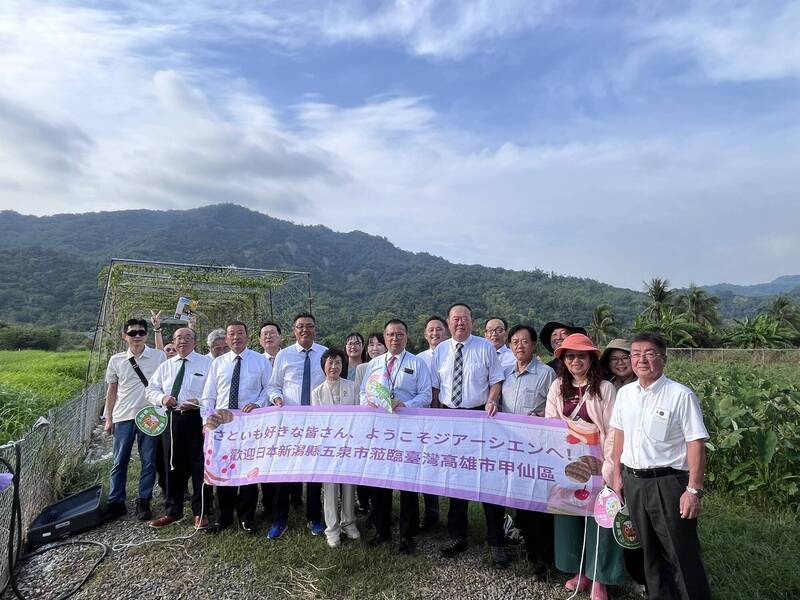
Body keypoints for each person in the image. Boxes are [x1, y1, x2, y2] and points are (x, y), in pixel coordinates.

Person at [610, 333, 712, 600]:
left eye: (649, 353)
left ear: (663, 359)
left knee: (682, 553)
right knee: (650, 555)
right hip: (633, 482)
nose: (641, 359)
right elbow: (619, 435)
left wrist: (694, 490)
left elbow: (695, 443)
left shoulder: (680, 395)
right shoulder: (625, 394)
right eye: (635, 353)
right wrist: (617, 475)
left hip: (668, 483)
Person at [430, 303, 508, 568]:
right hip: (450, 418)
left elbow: (496, 381)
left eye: (464, 318)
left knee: (488, 480)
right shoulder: (440, 350)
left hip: (479, 417)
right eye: (455, 319)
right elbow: (435, 387)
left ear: (472, 322)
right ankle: (457, 536)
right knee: (456, 478)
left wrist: (492, 400)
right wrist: (435, 415)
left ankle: (497, 541)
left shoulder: (485, 347)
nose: (459, 323)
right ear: (448, 323)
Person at [545, 333, 623, 600]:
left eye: (580, 355)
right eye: (570, 356)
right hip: (568, 462)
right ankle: (580, 570)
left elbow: (614, 430)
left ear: (591, 358)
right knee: (571, 516)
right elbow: (551, 424)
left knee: (601, 518)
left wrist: (610, 464)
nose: (575, 361)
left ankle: (600, 576)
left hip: (600, 461)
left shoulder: (605, 389)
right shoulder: (557, 388)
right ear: (563, 360)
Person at [360, 319, 432, 555]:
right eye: (390, 334)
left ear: (406, 336)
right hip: (380, 430)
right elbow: (363, 392)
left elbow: (426, 395)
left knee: (407, 483)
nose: (394, 338)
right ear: (384, 336)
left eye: (399, 334)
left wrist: (406, 404)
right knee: (381, 481)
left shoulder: (417, 363)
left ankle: (407, 535)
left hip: (407, 429)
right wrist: (367, 403)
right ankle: (382, 531)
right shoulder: (374, 364)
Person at [201, 321, 272, 533]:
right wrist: (207, 420)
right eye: (231, 334)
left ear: (248, 337)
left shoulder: (260, 361)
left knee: (249, 472)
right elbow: (208, 396)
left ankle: (246, 518)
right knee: (224, 471)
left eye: (240, 333)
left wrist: (258, 404)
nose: (236, 337)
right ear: (227, 338)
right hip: (223, 426)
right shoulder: (218, 363)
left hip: (250, 425)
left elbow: (269, 389)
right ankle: (223, 518)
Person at [498, 324, 556, 577]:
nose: (519, 346)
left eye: (524, 341)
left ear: (533, 345)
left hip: (538, 448)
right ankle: (529, 546)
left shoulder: (546, 374)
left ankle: (543, 557)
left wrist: (542, 414)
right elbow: (496, 402)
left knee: (540, 501)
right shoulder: (504, 374)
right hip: (510, 447)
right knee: (522, 499)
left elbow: (555, 408)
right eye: (515, 341)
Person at [266, 313, 328, 539]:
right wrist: (276, 398)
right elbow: (273, 386)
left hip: (316, 423)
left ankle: (314, 518)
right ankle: (279, 519)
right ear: (293, 330)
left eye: (309, 326)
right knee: (284, 473)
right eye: (300, 327)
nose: (304, 330)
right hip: (289, 424)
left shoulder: (324, 354)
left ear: (315, 329)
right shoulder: (284, 355)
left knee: (313, 474)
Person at [146, 327, 213, 529]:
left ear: (195, 341)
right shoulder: (165, 366)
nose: (183, 341)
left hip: (197, 420)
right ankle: (173, 510)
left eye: (187, 337)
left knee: (200, 467)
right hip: (171, 420)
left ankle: (201, 512)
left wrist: (198, 401)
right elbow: (151, 390)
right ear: (173, 343)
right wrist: (162, 398)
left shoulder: (207, 363)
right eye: (178, 338)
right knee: (172, 465)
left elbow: (216, 392)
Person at [104, 318, 166, 520]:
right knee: (119, 460)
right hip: (123, 416)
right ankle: (116, 501)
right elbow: (112, 390)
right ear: (125, 336)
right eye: (132, 333)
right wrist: (108, 417)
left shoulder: (158, 357)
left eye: (141, 332)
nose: (137, 336)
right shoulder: (116, 360)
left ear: (146, 335)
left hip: (149, 415)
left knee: (148, 460)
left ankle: (144, 499)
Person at [599, 338, 646, 593]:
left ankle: (643, 577)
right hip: (614, 461)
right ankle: (626, 573)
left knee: (637, 523)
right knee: (620, 520)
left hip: (638, 463)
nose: (620, 363)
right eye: (614, 359)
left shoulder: (644, 386)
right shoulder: (610, 387)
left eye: (624, 357)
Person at [312, 347, 361, 548]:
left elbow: (359, 414)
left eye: (338, 363)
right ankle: (332, 529)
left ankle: (348, 523)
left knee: (349, 486)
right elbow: (317, 422)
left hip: (348, 445)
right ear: (324, 366)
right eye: (330, 363)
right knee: (330, 487)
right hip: (328, 447)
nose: (334, 366)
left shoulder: (352, 387)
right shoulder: (317, 392)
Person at [414, 316, 449, 530]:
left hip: (448, 417)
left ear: (445, 333)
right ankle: (431, 513)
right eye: (431, 330)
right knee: (427, 464)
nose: (435, 333)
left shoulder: (452, 354)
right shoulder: (418, 359)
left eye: (439, 329)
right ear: (425, 334)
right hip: (422, 420)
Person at [353, 331, 387, 517]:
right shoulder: (362, 368)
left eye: (378, 344)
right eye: (371, 344)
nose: (375, 348)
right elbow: (360, 393)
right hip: (367, 422)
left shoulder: (391, 366)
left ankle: (380, 506)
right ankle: (364, 502)